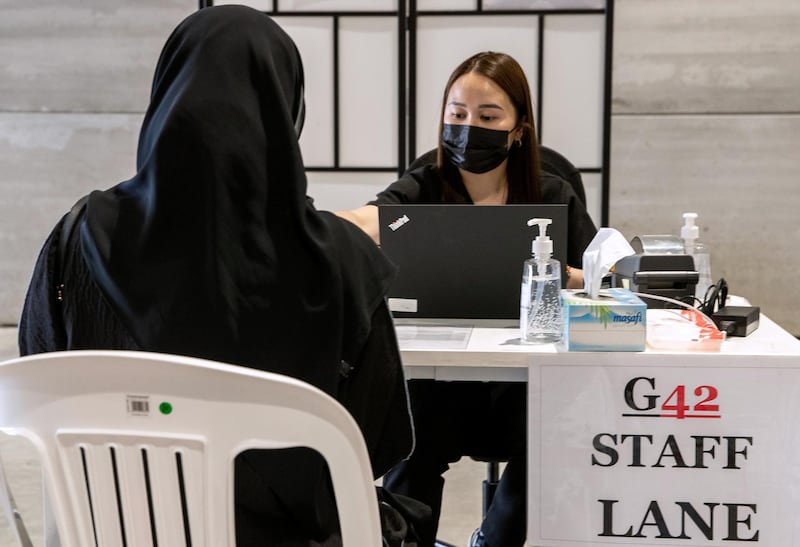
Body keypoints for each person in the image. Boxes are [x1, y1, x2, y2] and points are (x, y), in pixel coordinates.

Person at [18, 6, 413, 546]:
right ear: (285, 111)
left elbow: (43, 381)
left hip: (118, 529)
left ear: (163, 101)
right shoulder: (345, 261)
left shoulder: (78, 239)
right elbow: (375, 443)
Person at [338, 51, 598, 546]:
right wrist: (309, 222)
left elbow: (602, 276)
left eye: (488, 116)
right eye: (456, 114)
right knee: (411, 444)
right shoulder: (423, 186)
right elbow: (372, 220)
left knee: (550, 443)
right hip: (440, 379)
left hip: (525, 381)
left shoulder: (552, 192)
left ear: (519, 127)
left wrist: (564, 277)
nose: (468, 126)